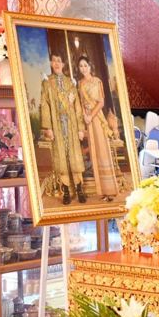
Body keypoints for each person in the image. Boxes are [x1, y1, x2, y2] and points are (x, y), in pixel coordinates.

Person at [40, 52, 87, 205]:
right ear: (51, 63)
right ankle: (66, 191)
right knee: (61, 158)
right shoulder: (47, 83)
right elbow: (45, 105)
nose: (57, 63)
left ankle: (80, 189)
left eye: (59, 61)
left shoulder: (70, 83)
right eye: (54, 61)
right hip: (57, 125)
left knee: (74, 157)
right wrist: (48, 127)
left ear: (64, 64)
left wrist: (80, 128)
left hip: (72, 126)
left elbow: (78, 107)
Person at [77, 55, 119, 202]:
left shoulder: (97, 82)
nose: (83, 68)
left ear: (90, 66)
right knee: (94, 153)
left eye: (85, 65)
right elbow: (81, 103)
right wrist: (85, 116)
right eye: (81, 66)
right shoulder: (80, 83)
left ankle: (110, 190)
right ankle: (102, 191)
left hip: (97, 118)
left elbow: (101, 103)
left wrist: (91, 116)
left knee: (103, 151)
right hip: (88, 119)